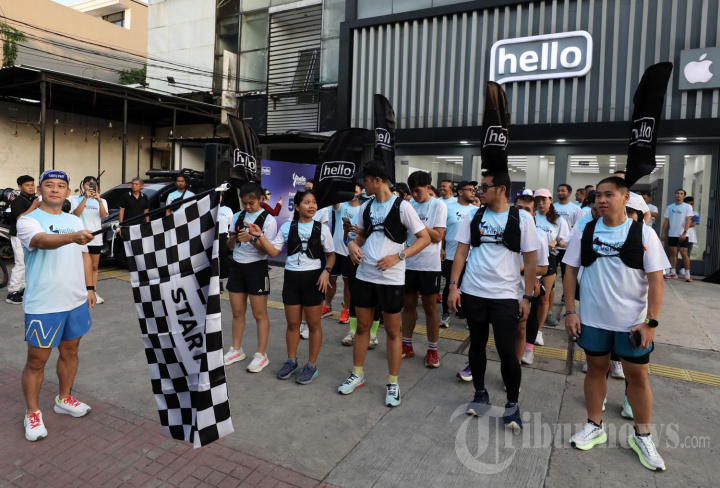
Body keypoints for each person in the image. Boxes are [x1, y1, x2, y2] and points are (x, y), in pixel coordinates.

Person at [563, 176, 669, 471]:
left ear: (625, 198)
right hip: (593, 320)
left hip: (632, 324)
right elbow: (569, 271)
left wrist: (651, 322)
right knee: (595, 370)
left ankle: (642, 436)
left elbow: (656, 280)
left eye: (609, 194)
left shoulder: (643, 233)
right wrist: (570, 311)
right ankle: (594, 426)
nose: (601, 200)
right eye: (598, 195)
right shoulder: (584, 230)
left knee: (638, 379)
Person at [448, 170, 539, 433]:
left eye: (485, 187)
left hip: (506, 295)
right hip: (473, 291)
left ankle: (512, 404)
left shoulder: (522, 218)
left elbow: (530, 261)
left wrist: (527, 297)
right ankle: (480, 394)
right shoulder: (473, 215)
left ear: (501, 189)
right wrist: (453, 286)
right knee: (476, 344)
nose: (480, 191)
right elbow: (461, 252)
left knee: (506, 350)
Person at [339, 160, 430, 406]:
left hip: (391, 279)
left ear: (377, 180)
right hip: (365, 275)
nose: (363, 185)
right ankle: (357, 374)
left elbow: (424, 238)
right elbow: (360, 235)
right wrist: (352, 245)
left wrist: (398, 256)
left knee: (391, 330)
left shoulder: (403, 207)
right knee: (362, 327)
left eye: (365, 180)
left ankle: (393, 382)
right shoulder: (366, 206)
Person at [17, 170, 96, 442]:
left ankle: (64, 399)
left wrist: (90, 288)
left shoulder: (74, 220)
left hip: (75, 300)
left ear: (67, 192)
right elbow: (40, 241)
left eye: (61, 185)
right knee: (36, 361)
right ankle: (32, 412)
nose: (55, 189)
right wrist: (72, 237)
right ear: (40, 190)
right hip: (44, 303)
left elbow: (84, 256)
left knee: (70, 352)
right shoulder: (28, 220)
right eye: (49, 185)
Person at [248, 189, 335, 385]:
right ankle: (291, 361)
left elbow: (331, 255)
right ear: (296, 207)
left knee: (314, 324)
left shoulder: (322, 229)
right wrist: (259, 236)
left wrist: (326, 271)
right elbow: (273, 252)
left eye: (314, 202)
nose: (312, 206)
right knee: (293, 323)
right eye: (307, 202)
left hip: (314, 279)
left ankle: (311, 365)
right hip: (292, 279)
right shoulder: (287, 227)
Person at [223, 183, 278, 372]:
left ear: (260, 198)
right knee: (237, 312)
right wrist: (232, 240)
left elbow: (269, 251)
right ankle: (236, 349)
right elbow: (230, 246)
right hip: (237, 266)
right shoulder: (237, 216)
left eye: (251, 203)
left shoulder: (269, 220)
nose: (247, 206)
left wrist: (252, 239)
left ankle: (261, 354)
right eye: (244, 202)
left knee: (259, 314)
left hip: (257, 268)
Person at [401, 171, 447, 368]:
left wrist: (417, 222)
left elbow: (437, 236)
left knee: (430, 307)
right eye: (412, 191)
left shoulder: (438, 205)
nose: (415, 195)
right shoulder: (408, 205)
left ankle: (432, 349)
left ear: (428, 188)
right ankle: (406, 345)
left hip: (429, 265)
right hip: (408, 262)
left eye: (418, 191)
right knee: (408, 306)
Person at [513, 195, 549, 365]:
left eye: (527, 209)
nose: (522, 213)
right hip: (504, 286)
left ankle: (524, 353)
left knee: (523, 324)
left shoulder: (539, 237)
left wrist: (525, 270)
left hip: (525, 286)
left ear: (534, 213)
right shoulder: (505, 231)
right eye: (519, 208)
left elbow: (543, 268)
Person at [532, 189, 569, 342]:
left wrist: (556, 242)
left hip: (549, 260)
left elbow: (566, 242)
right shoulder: (531, 216)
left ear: (551, 200)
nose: (540, 203)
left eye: (544, 200)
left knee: (543, 298)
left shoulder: (559, 220)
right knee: (526, 295)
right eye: (537, 200)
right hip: (529, 259)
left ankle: (538, 332)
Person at [324, 183, 363, 324]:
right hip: (336, 250)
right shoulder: (341, 206)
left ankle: (346, 309)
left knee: (348, 282)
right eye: (351, 191)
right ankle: (327, 306)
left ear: (360, 193)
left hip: (351, 251)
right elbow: (335, 203)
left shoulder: (362, 209)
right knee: (331, 279)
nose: (354, 194)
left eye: (356, 191)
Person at [441, 180, 478, 328]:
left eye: (474, 190)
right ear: (460, 192)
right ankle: (445, 313)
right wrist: (441, 249)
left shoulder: (476, 210)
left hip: (470, 255)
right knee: (450, 284)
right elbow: (442, 231)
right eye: (470, 190)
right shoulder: (448, 208)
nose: (473, 192)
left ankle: (465, 314)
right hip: (451, 253)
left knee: (467, 286)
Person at [70, 176, 108, 304]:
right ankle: (81, 291)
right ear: (83, 186)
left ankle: (93, 291)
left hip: (96, 237)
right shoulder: (76, 199)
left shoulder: (102, 200)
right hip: (81, 237)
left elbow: (103, 215)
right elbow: (76, 214)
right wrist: (85, 198)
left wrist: (99, 201)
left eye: (93, 184)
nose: (90, 186)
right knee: (80, 266)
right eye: (87, 184)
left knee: (94, 266)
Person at [6, 175, 40, 305]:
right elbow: (20, 218)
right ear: (20, 187)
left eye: (32, 185)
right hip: (18, 235)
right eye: (27, 185)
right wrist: (34, 206)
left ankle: (23, 288)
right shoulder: (18, 201)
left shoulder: (32, 199)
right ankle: (13, 291)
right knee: (20, 262)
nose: (31, 187)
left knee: (27, 262)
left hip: (29, 235)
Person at [660, 189, 693, 280]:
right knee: (673, 252)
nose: (679, 195)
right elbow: (666, 221)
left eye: (681, 194)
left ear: (684, 196)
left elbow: (688, 220)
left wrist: (685, 232)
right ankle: (673, 272)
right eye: (677, 193)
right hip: (672, 233)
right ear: (675, 195)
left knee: (684, 253)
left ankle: (687, 273)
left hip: (683, 234)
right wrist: (663, 233)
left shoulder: (687, 207)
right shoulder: (670, 207)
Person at [682, 195, 699, 280]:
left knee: (687, 253)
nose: (690, 206)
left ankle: (685, 269)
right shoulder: (681, 212)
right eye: (688, 204)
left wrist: (684, 224)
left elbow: (694, 224)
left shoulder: (695, 213)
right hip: (679, 234)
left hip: (691, 236)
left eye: (691, 204)